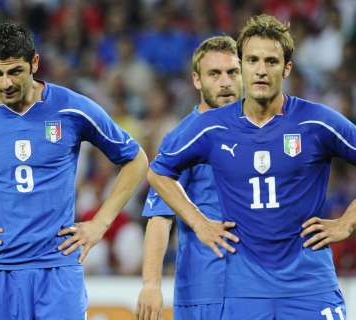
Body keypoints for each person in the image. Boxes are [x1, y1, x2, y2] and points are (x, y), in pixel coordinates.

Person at [148, 14, 356, 319]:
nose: (260, 70)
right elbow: (158, 171)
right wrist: (199, 222)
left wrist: (346, 222)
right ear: (242, 65)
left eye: (271, 61)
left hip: (309, 286)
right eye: (252, 60)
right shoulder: (212, 127)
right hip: (243, 291)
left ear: (287, 68)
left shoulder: (317, 121)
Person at [0, 22, 148, 320]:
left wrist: (100, 223)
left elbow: (136, 159)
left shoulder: (71, 109)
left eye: (14, 72)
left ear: (34, 63)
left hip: (57, 268)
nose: (5, 84)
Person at [137, 36, 242, 320]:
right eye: (214, 74)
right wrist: (151, 284)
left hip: (255, 286)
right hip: (203, 288)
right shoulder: (182, 137)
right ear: (197, 80)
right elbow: (160, 217)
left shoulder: (258, 130)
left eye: (232, 72)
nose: (225, 82)